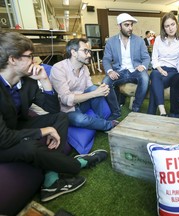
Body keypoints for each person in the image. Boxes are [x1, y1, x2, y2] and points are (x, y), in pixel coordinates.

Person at [0, 32, 108, 202]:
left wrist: (44, 80)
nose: (35, 61)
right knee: (30, 148)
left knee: (61, 118)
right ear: (12, 59)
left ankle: (52, 177)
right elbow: (3, 138)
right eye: (30, 56)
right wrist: (44, 131)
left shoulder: (26, 81)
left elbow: (54, 109)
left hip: (17, 125)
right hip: (2, 140)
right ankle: (79, 164)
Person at [50, 38, 118, 131]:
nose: (89, 55)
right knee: (79, 120)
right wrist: (95, 93)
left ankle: (103, 120)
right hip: (66, 110)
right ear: (73, 52)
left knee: (95, 88)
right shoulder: (58, 68)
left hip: (81, 103)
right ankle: (109, 125)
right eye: (85, 51)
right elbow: (65, 99)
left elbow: (90, 88)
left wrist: (101, 89)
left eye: (89, 51)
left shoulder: (84, 68)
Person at [102, 13, 150, 118]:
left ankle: (136, 108)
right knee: (105, 82)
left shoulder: (139, 41)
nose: (130, 28)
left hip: (135, 71)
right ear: (119, 26)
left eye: (131, 25)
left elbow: (146, 57)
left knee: (145, 78)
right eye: (127, 25)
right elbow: (106, 59)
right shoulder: (111, 41)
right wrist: (110, 71)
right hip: (120, 71)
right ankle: (116, 111)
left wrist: (143, 66)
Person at [147, 12, 179, 116]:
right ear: (163, 28)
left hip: (174, 71)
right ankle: (162, 110)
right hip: (160, 70)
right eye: (167, 26)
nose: (170, 28)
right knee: (155, 74)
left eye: (172, 24)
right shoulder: (158, 39)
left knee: (154, 85)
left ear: (177, 24)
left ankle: (151, 113)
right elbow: (154, 58)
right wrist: (160, 69)